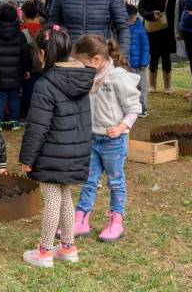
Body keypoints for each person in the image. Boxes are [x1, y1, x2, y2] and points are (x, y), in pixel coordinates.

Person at [20, 24, 96, 268]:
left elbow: (37, 126)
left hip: (52, 153)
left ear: (43, 53)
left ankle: (45, 250)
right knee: (65, 196)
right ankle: (68, 246)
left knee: (52, 198)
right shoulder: (82, 79)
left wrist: (27, 158)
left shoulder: (45, 84)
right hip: (75, 151)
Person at [71, 34, 142, 242]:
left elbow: (134, 108)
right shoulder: (88, 77)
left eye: (82, 63)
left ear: (96, 60)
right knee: (88, 180)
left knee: (116, 182)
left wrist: (121, 127)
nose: (80, 67)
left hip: (113, 142)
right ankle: (81, 218)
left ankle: (116, 221)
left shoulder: (118, 77)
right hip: (91, 139)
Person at [0, 4, 31, 131]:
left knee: (0, 97)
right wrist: (27, 69)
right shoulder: (20, 35)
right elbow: (25, 54)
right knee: (15, 97)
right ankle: (15, 121)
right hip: (17, 72)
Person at [138, 0, 179, 94]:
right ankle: (152, 85)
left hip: (167, 28)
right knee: (154, 55)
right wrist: (151, 14)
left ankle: (167, 86)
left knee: (166, 56)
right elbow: (141, 7)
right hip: (152, 27)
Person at [20, 0, 46, 119]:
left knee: (27, 91)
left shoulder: (22, 29)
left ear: (23, 14)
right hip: (42, 65)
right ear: (37, 14)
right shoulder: (44, 30)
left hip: (28, 67)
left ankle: (27, 113)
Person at [127, 4, 150, 116]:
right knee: (129, 86)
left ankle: (143, 107)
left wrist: (144, 62)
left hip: (139, 65)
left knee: (140, 86)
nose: (128, 20)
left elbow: (145, 47)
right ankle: (131, 106)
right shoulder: (124, 29)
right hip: (127, 64)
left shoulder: (140, 30)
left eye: (129, 18)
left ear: (134, 16)